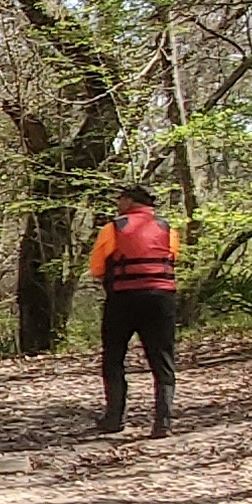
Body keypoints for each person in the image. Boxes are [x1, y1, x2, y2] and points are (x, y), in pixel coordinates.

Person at [87, 186, 181, 436]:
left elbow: (96, 268)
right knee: (162, 359)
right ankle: (163, 421)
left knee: (114, 357)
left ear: (129, 202)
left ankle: (114, 418)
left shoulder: (113, 228)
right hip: (161, 300)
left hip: (123, 298)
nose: (118, 203)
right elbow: (172, 257)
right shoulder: (167, 228)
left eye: (121, 199)